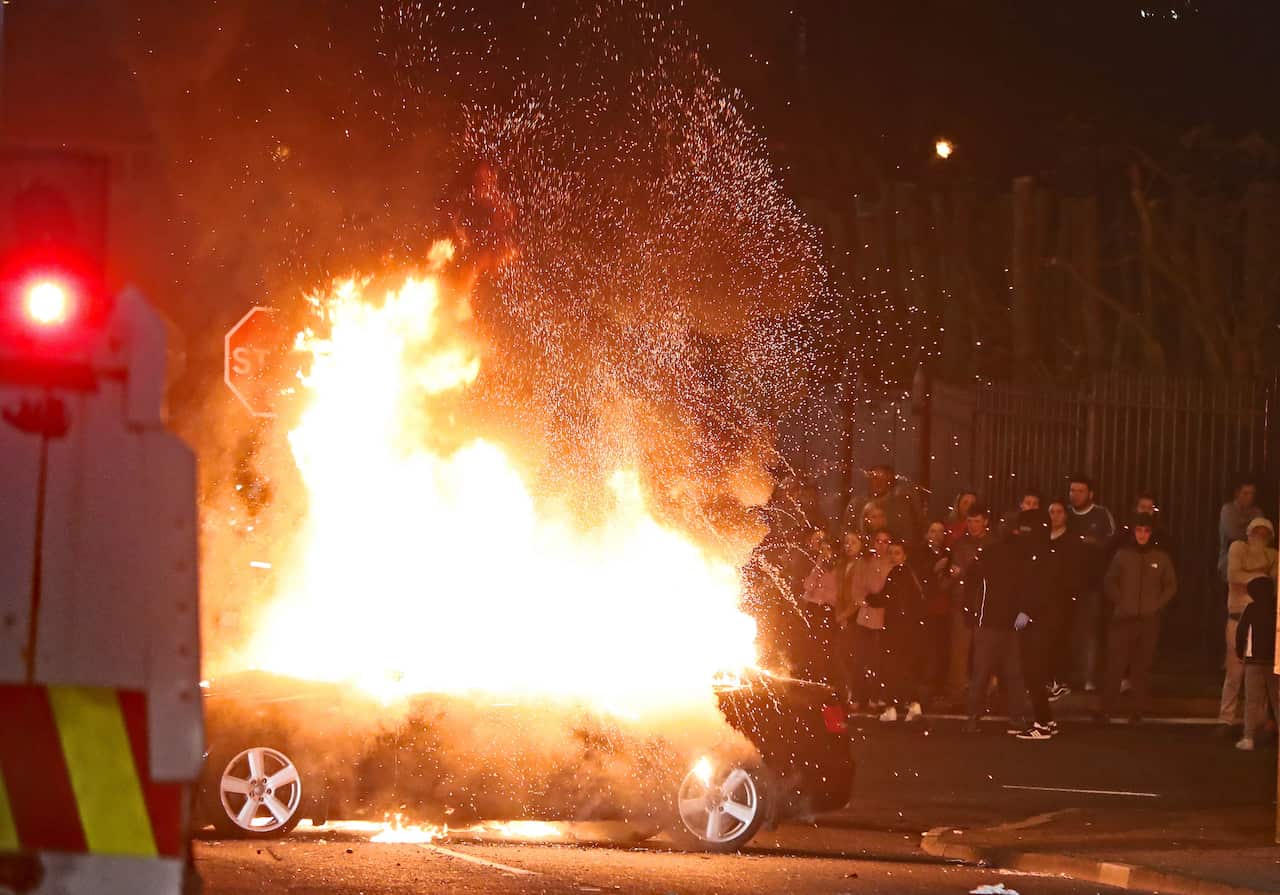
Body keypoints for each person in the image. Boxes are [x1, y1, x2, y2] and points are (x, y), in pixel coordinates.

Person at [1098, 514, 1177, 724]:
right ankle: (1106, 709)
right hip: (1123, 618)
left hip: (1149, 620)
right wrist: (1121, 601)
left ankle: (1137, 710)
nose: (1142, 535)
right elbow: (1109, 581)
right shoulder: (1122, 555)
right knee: (1115, 665)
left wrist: (1156, 604)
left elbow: (1171, 585)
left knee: (1141, 667)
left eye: (1146, 531)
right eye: (1139, 530)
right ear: (1134, 532)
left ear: (1151, 533)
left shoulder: (1161, 558)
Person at [961, 514, 1032, 733]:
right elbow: (1027, 587)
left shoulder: (989, 552)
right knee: (1013, 672)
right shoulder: (1022, 555)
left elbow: (971, 580)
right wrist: (1024, 611)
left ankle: (973, 717)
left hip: (989, 621)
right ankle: (1016, 716)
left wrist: (970, 612)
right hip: (1007, 622)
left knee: (982, 672)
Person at [1012, 507, 1070, 739]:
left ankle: (1043, 723)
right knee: (1033, 672)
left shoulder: (1043, 554)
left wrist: (1027, 611)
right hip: (1040, 620)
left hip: (1040, 622)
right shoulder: (1036, 552)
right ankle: (1046, 719)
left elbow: (1042, 589)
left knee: (1034, 671)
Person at [1219, 517, 1277, 735]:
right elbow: (1233, 575)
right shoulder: (1238, 548)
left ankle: (1256, 723)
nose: (1259, 537)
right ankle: (1226, 719)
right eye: (1256, 532)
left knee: (1259, 677)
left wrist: (1251, 578)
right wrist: (1261, 576)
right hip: (1237, 618)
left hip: (1261, 626)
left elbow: (1274, 583)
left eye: (1264, 533)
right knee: (1234, 672)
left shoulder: (1273, 555)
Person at [1066, 475, 1116, 691]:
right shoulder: (1065, 514)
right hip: (1066, 584)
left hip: (1092, 585)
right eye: (1072, 490)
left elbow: (1112, 543)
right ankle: (1069, 676)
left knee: (1089, 632)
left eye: (1080, 491)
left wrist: (1093, 544)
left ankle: (1088, 677)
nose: (1075, 495)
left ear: (1090, 494)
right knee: (1068, 630)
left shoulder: (1101, 515)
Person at [871, 540, 927, 721]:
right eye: (891, 553)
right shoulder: (910, 574)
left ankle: (893, 706)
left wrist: (868, 599)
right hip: (909, 628)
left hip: (897, 628)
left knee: (893, 667)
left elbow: (886, 598)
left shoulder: (898, 573)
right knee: (906, 667)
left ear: (904, 556)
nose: (893, 557)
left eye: (897, 553)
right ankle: (912, 704)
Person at [838, 529, 894, 711]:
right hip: (865, 615)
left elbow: (886, 589)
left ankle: (875, 696)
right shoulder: (865, 563)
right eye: (878, 541)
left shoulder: (891, 563)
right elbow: (857, 589)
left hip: (884, 617)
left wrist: (877, 598)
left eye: (885, 542)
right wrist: (865, 599)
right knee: (861, 659)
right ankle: (858, 695)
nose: (881, 545)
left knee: (878, 660)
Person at [946, 505, 995, 704]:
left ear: (986, 521)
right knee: (960, 649)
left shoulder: (993, 544)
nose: (973, 525)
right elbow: (955, 572)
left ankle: (986, 691)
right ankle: (958, 692)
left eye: (977, 521)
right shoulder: (960, 544)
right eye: (970, 521)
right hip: (963, 602)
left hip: (986, 604)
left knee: (985, 650)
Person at [1045, 499, 1086, 702]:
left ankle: (1061, 681)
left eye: (1059, 512)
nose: (1055, 516)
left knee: (1061, 639)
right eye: (1051, 512)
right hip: (1044, 598)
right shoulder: (1043, 538)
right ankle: (1048, 680)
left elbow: (1075, 571)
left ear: (1066, 515)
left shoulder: (1072, 540)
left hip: (1063, 598)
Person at [1235, 576, 1278, 751]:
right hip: (1274, 661)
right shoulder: (1276, 608)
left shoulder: (1251, 609)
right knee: (1277, 699)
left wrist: (1240, 653)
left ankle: (1248, 737)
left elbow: (1241, 632)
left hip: (1254, 660)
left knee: (1252, 701)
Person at [916, 521, 956, 700]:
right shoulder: (921, 554)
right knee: (928, 649)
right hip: (927, 610)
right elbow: (919, 579)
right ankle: (927, 688)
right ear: (927, 534)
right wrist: (933, 570)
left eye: (940, 531)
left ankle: (939, 687)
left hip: (945, 610)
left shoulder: (948, 553)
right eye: (933, 531)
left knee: (943, 649)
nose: (937, 535)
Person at [845, 463, 925, 550]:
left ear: (889, 482)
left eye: (883, 479)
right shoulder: (856, 505)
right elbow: (846, 532)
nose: (879, 483)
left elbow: (914, 533)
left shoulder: (902, 505)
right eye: (875, 478)